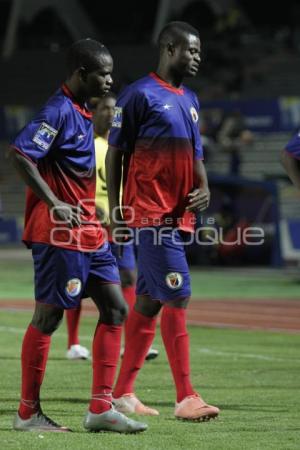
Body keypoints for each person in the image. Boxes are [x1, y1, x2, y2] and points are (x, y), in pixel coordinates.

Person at [9, 38, 147, 434]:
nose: (109, 80)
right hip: (59, 233)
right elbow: (19, 154)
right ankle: (27, 414)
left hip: (90, 231)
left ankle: (101, 408)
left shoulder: (83, 112)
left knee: (116, 308)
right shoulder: (57, 110)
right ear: (81, 74)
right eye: (103, 73)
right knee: (48, 317)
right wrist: (52, 201)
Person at [106, 22, 220, 421]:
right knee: (178, 293)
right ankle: (186, 396)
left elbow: (196, 153)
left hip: (178, 214)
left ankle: (121, 393)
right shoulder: (138, 94)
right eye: (192, 50)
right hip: (150, 213)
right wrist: (118, 210)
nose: (198, 58)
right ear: (170, 48)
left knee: (150, 302)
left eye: (200, 51)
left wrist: (203, 188)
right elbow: (115, 154)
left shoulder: (189, 97)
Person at [65, 93, 159, 361]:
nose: (110, 113)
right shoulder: (86, 145)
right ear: (94, 111)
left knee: (129, 277)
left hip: (119, 223)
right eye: (105, 108)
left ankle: (129, 342)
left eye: (114, 110)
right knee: (78, 283)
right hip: (90, 223)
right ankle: (73, 343)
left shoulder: (121, 147)